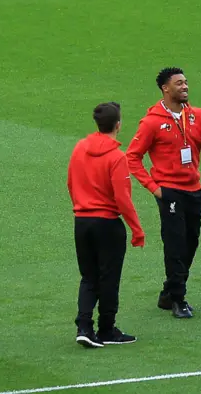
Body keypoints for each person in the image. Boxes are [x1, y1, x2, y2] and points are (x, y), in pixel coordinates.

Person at [126, 67, 201, 319]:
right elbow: (132, 157)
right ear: (165, 88)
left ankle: (168, 293)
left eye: (186, 83)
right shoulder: (151, 122)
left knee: (190, 243)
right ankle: (179, 299)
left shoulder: (197, 116)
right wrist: (155, 188)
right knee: (175, 245)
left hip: (194, 191)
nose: (185, 87)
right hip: (169, 192)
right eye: (179, 83)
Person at [67, 102, 146, 348]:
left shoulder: (80, 148)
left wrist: (82, 206)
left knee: (88, 277)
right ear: (118, 125)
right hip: (108, 225)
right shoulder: (116, 157)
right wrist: (137, 229)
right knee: (109, 278)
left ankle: (84, 326)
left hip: (82, 222)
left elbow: (70, 183)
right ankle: (107, 329)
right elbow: (122, 198)